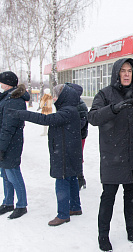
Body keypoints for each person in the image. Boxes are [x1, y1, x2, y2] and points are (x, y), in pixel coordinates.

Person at [88, 58, 133, 252]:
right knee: (108, 197)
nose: (127, 74)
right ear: (116, 73)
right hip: (112, 156)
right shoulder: (105, 94)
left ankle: (130, 228)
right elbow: (93, 117)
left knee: (131, 195)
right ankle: (103, 234)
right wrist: (113, 109)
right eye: (123, 70)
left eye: (130, 70)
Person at [10, 84, 83, 227]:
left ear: (63, 97)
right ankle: (75, 207)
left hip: (64, 152)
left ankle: (63, 214)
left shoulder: (67, 111)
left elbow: (46, 120)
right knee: (71, 178)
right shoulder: (70, 109)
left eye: (57, 95)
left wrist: (21, 114)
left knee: (62, 180)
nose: (54, 98)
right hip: (68, 151)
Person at [0, 71, 29, 220]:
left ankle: (21, 205)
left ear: (7, 84)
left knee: (13, 174)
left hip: (10, 144)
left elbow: (8, 128)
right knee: (5, 175)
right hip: (2, 143)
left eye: (0, 83)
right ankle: (8, 202)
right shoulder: (6, 96)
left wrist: (1, 148)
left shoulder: (14, 100)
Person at [65, 82, 89, 190]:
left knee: (76, 157)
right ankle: (77, 178)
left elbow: (81, 123)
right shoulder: (70, 103)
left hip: (78, 136)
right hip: (72, 135)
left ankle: (79, 179)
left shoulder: (79, 105)